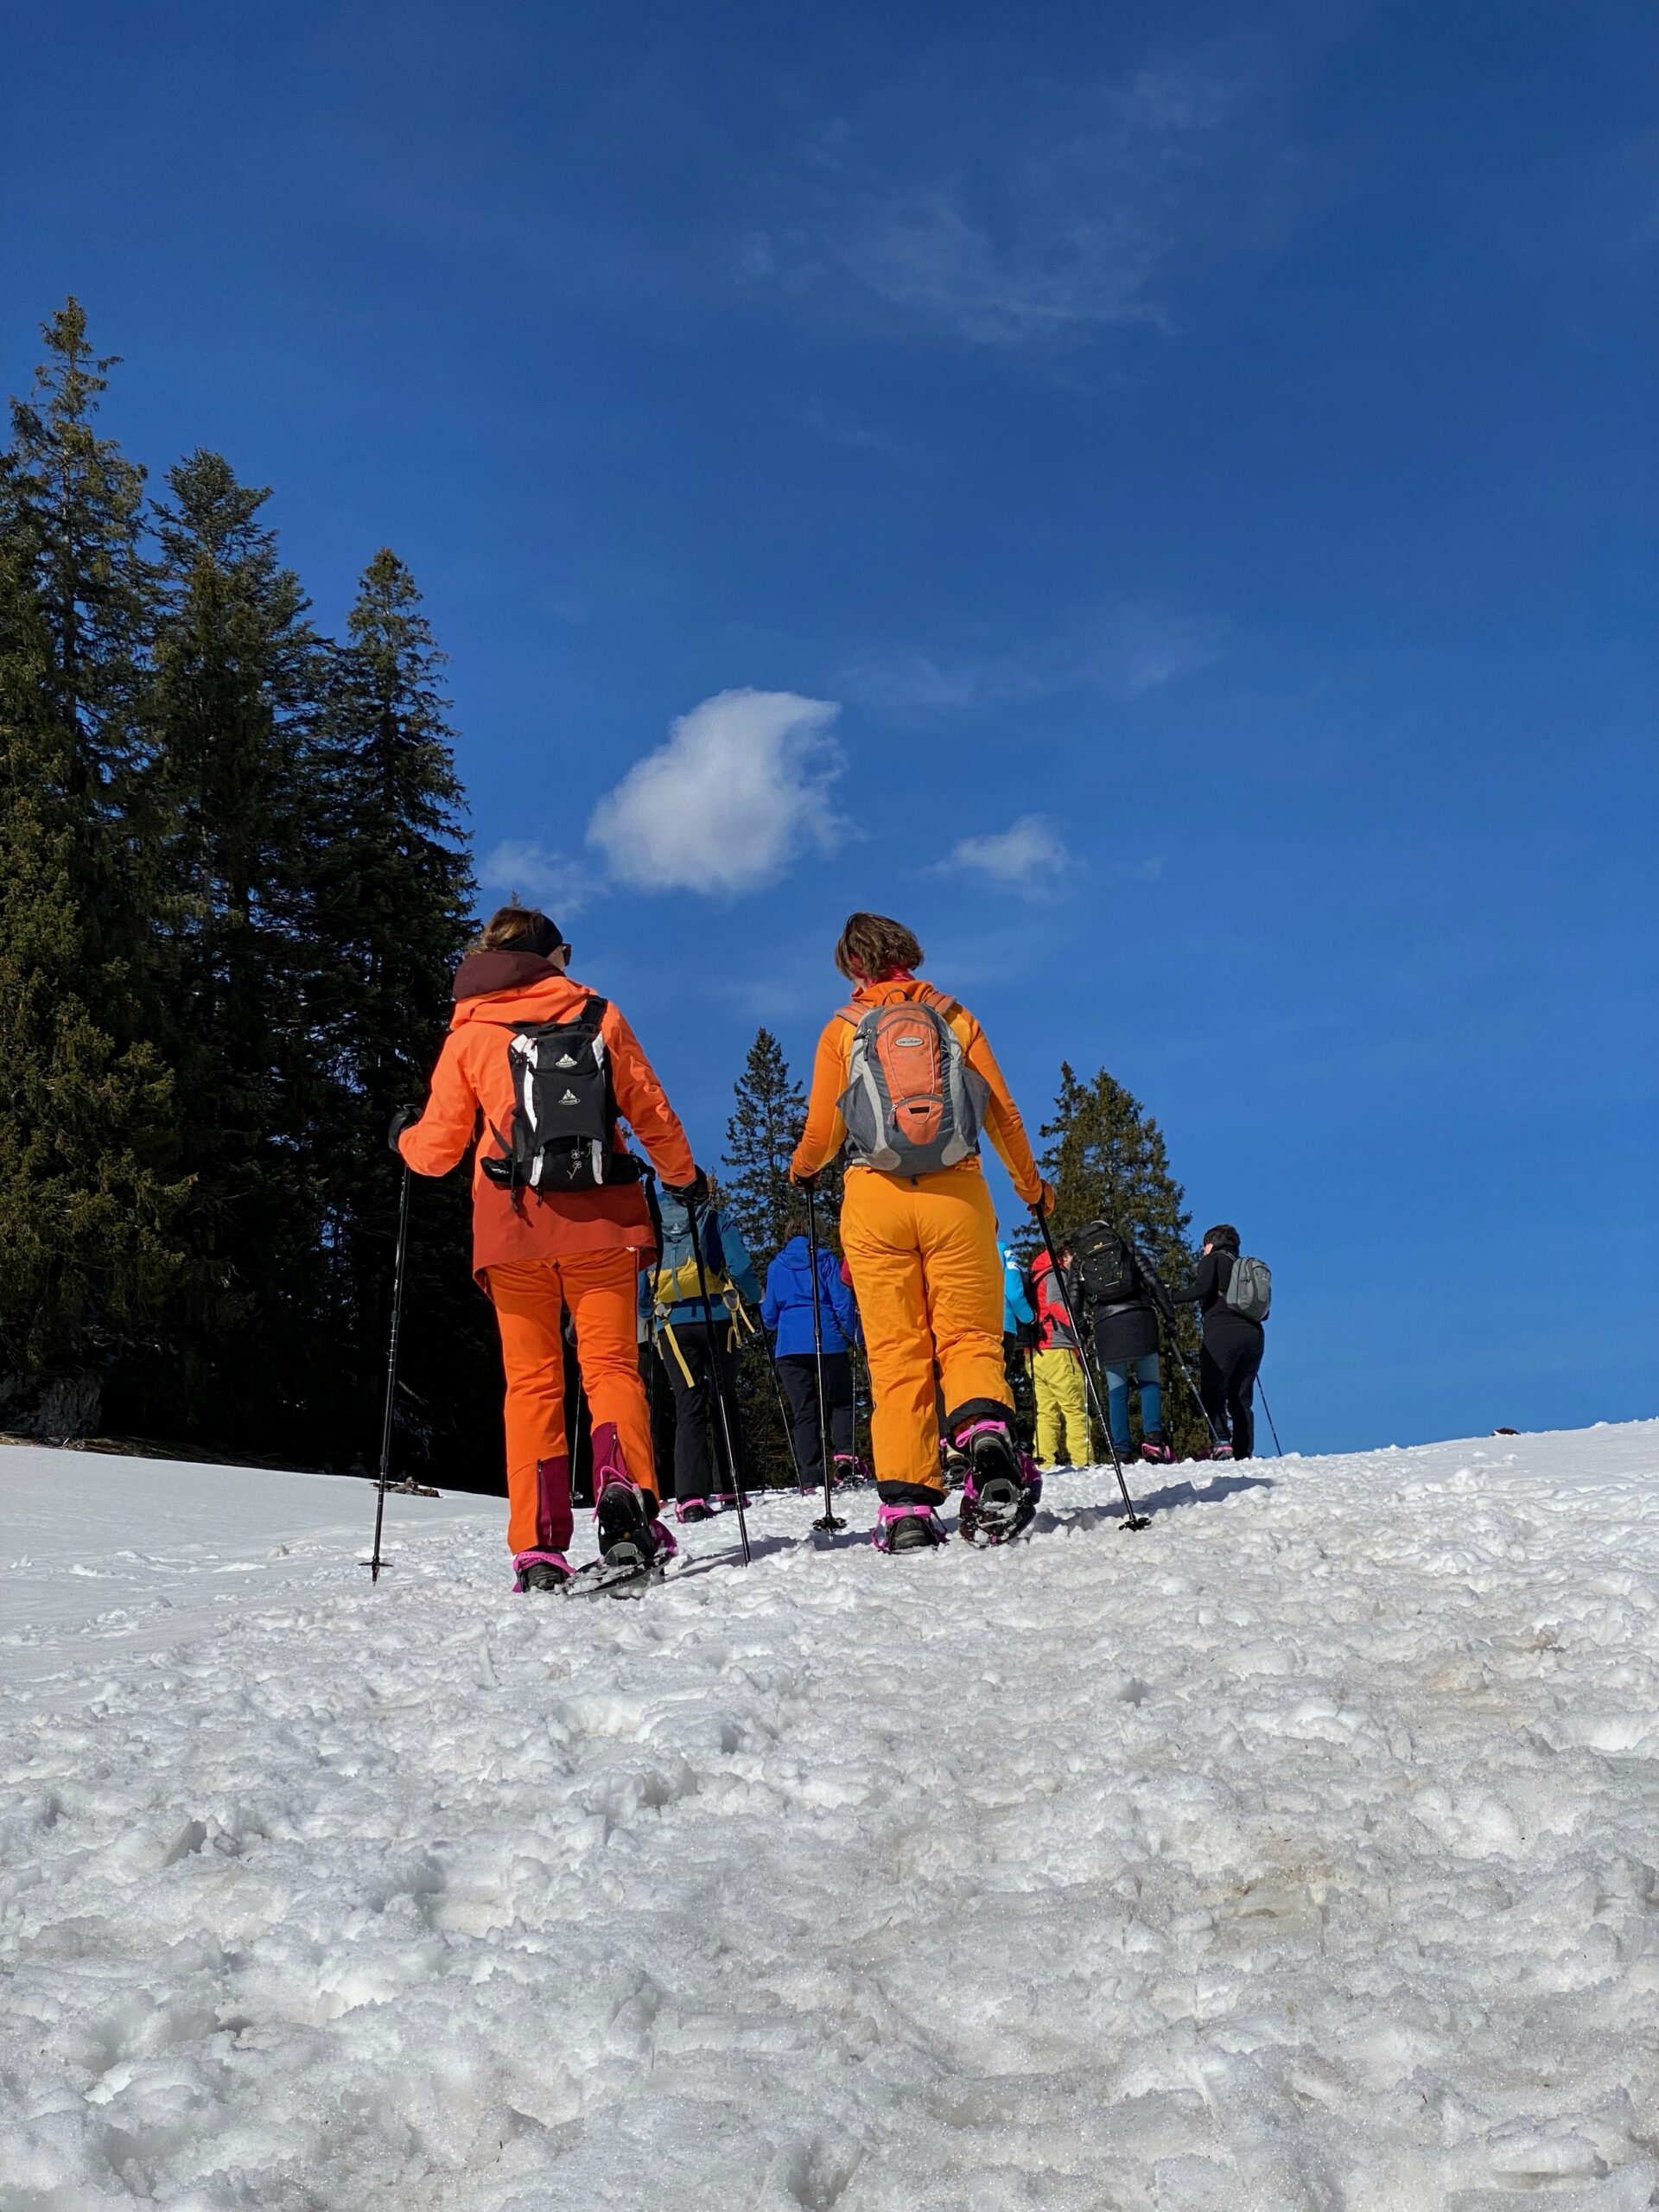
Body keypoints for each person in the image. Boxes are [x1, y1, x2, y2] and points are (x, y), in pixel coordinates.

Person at [394, 905, 702, 1591]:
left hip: (512, 1228)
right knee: (613, 1368)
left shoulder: (470, 1033)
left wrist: (402, 1141)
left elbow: (439, 1152)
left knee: (532, 1385)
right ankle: (627, 1502)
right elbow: (651, 1111)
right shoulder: (598, 1015)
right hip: (602, 1220)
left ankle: (539, 1546)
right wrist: (684, 1176)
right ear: (551, 957)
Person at [789, 912, 1053, 1553]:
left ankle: (907, 1508)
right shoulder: (953, 1016)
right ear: (909, 952)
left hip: (874, 1199)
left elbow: (823, 1135)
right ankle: (985, 1434)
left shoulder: (843, 1029)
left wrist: (802, 1170)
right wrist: (1031, 1187)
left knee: (896, 1351)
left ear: (853, 967)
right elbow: (1002, 1111)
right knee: (968, 1335)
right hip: (957, 1193)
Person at [645, 1185, 761, 1520]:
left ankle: (691, 1497)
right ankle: (731, 1486)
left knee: (688, 1404)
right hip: (718, 1318)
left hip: (671, 1322)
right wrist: (754, 1297)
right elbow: (739, 1267)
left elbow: (642, 1276)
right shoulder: (714, 1218)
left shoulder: (654, 1222)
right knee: (724, 1399)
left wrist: (645, 1312)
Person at [761, 1209, 862, 1495]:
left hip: (789, 1347)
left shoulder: (777, 1266)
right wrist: (857, 1334)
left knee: (804, 1410)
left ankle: (810, 1476)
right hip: (826, 1338)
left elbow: (769, 1314)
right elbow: (841, 1301)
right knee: (840, 1400)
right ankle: (844, 1454)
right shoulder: (826, 1260)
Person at [1074, 1222, 1176, 1464]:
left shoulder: (1081, 1258)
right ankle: (1153, 1441)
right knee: (1149, 1382)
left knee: (1117, 1390)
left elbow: (1074, 1297)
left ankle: (1121, 1450)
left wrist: (1083, 1328)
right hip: (1140, 1317)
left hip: (1107, 1324)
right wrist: (1170, 1318)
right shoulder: (1126, 1246)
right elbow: (1153, 1281)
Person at [1172, 1224, 1265, 1459]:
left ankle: (1221, 1442)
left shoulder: (1212, 1260)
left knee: (1214, 1389)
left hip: (1222, 1332)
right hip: (1253, 1335)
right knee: (1242, 1396)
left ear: (1211, 1244)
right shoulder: (1244, 1267)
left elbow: (1201, 1289)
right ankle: (1244, 1450)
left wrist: (1171, 1296)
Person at [1029, 1237, 1091, 1469]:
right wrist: (1078, 1327)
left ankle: (1044, 1461)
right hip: (1059, 1349)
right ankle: (1083, 1460)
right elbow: (1056, 1304)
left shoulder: (1038, 1275)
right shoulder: (1056, 1274)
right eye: (1072, 1256)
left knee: (1046, 1412)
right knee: (1075, 1408)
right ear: (1064, 1255)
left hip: (1038, 1353)